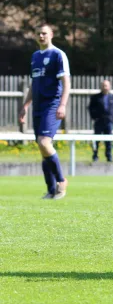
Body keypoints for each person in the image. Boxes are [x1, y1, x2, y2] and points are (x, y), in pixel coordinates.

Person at [18, 24, 70, 200]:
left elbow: (67, 82)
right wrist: (25, 105)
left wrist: (62, 105)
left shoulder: (57, 54)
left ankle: (61, 181)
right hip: (38, 107)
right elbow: (34, 84)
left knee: (44, 142)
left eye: (44, 33)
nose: (41, 36)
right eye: (38, 33)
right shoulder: (35, 57)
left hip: (52, 105)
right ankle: (50, 189)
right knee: (43, 149)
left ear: (51, 35)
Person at [88, 79, 113, 162]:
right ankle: (95, 155)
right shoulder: (95, 98)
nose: (105, 87)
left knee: (108, 140)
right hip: (99, 122)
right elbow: (91, 108)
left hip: (109, 122)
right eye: (103, 85)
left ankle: (108, 156)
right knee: (96, 140)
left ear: (109, 87)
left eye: (106, 85)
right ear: (101, 86)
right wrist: (95, 117)